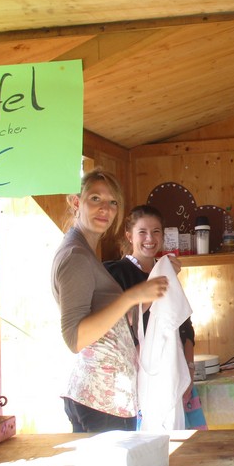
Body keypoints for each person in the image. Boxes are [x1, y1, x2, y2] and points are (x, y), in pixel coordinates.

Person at [51, 169, 169, 433]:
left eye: (113, 202)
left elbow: (114, 323)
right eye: (95, 198)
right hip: (100, 400)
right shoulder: (75, 257)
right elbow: (75, 338)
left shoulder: (84, 251)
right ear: (76, 202)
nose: (105, 208)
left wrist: (150, 292)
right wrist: (131, 296)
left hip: (109, 399)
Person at [103, 204, 206, 430]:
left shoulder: (166, 271)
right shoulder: (115, 272)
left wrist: (189, 368)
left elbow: (184, 326)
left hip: (173, 369)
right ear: (129, 236)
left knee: (182, 445)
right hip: (135, 378)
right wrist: (159, 283)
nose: (150, 238)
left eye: (156, 231)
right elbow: (117, 323)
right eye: (142, 232)